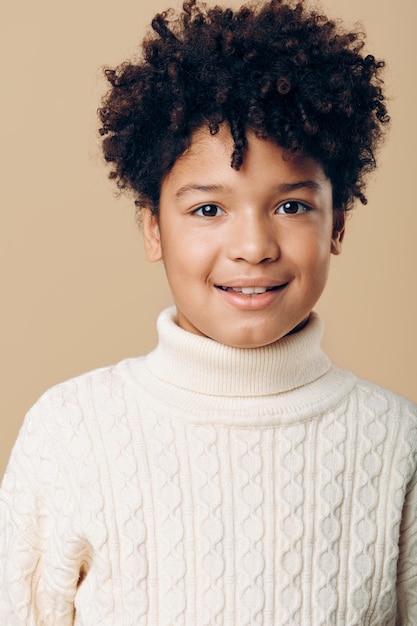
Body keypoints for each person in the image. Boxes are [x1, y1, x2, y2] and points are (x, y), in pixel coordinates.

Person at [1, 0, 416, 623]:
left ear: (338, 223)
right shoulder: (71, 433)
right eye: (207, 210)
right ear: (153, 230)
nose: (253, 247)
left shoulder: (395, 443)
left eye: (292, 206)